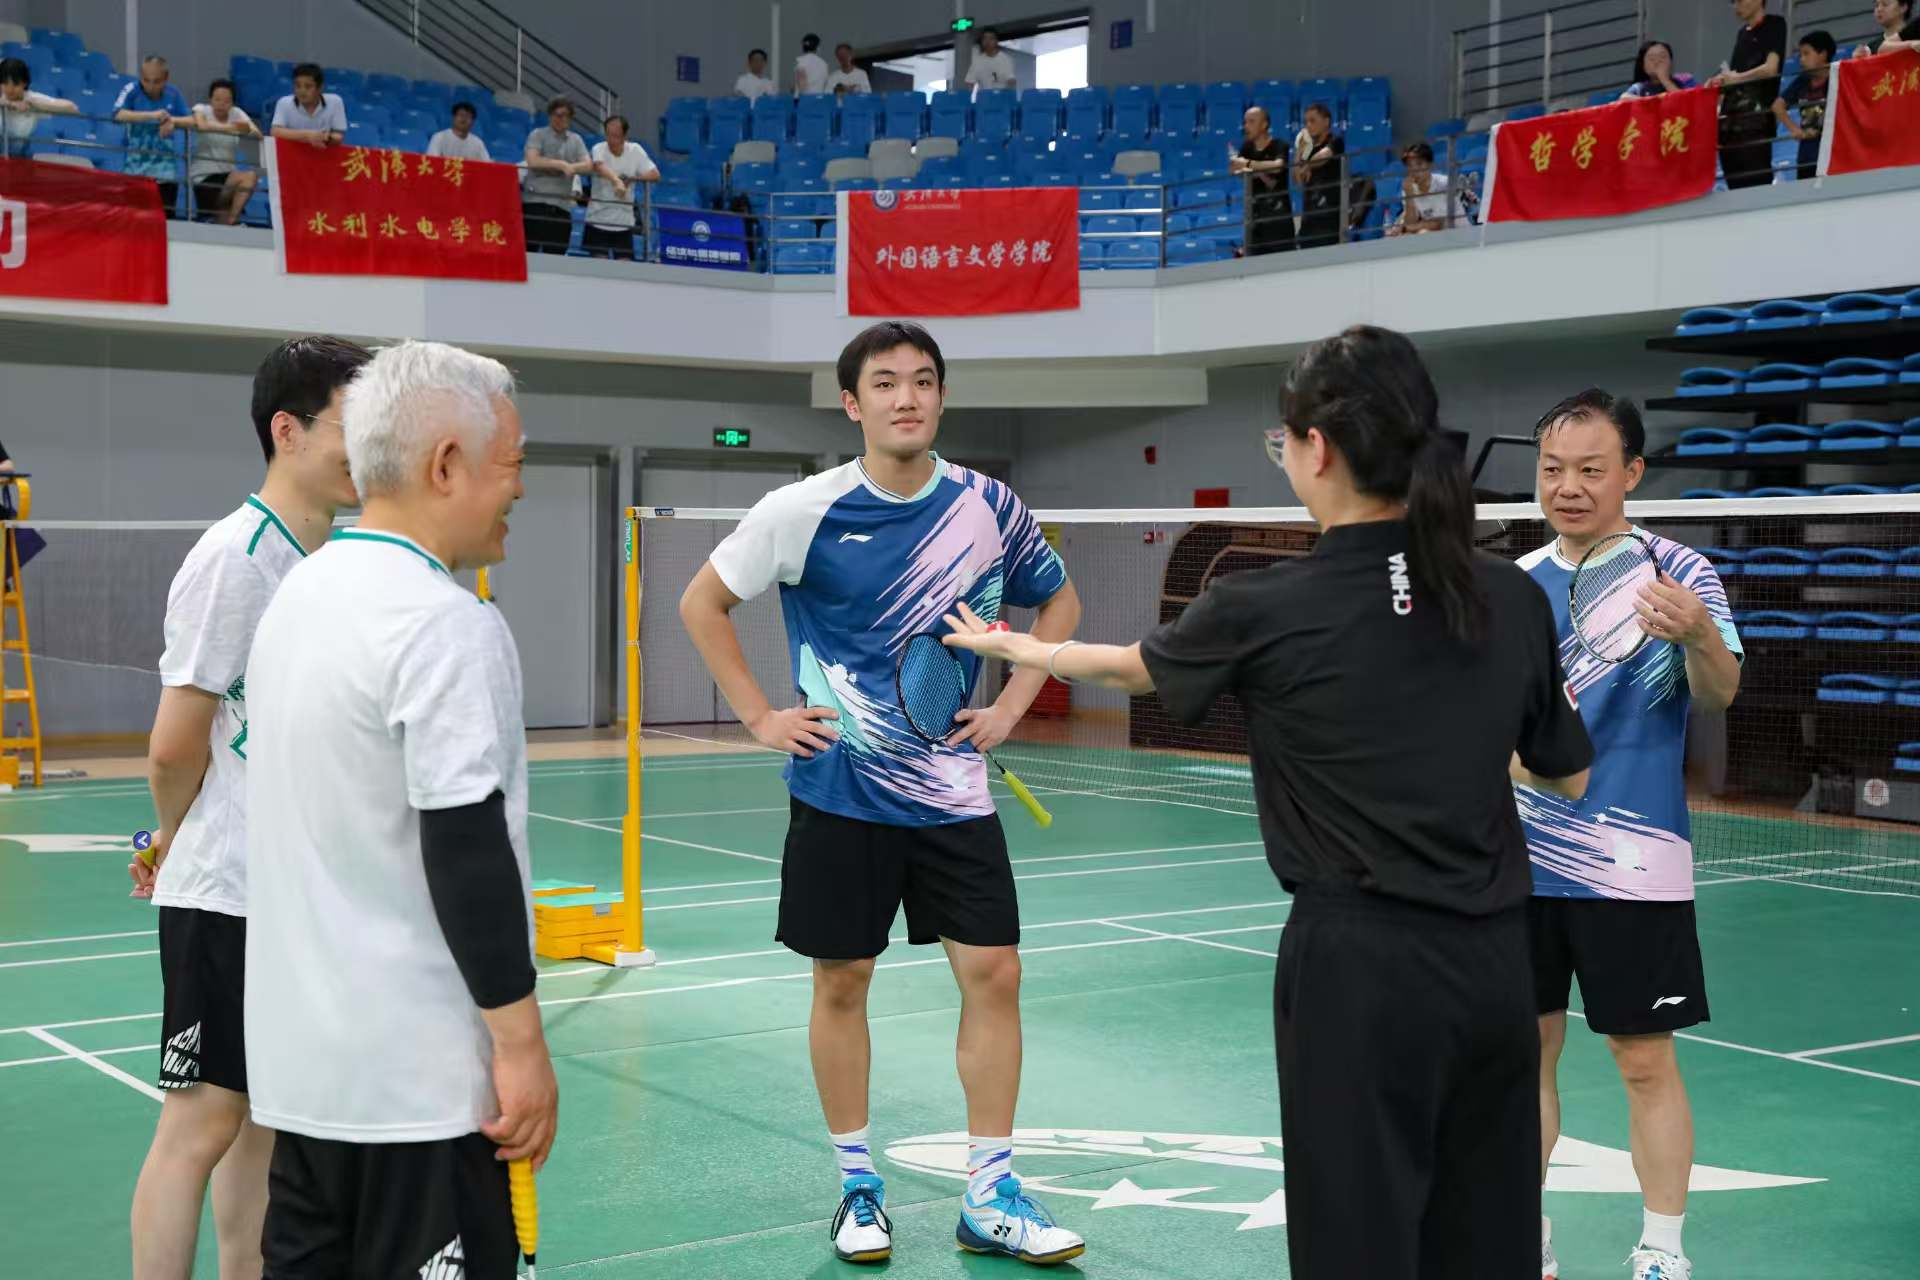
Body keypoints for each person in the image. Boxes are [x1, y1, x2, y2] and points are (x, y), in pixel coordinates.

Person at [945, 325, 1594, 1280]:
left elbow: (1128, 669)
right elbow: (1567, 774)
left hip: (1360, 973)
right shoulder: (1512, 596)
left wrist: (1020, 649)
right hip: (1499, 967)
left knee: (1356, 1246)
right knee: (1488, 1243)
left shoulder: (1264, 605)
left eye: (1281, 440)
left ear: (1316, 449)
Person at [678, 321, 1088, 1268]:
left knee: (996, 975)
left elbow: (1057, 601)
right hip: (840, 792)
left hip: (955, 794)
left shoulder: (989, 505)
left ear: (941, 396)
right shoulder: (801, 509)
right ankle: (858, 1186)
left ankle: (990, 1193)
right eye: (887, 382)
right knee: (842, 981)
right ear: (852, 403)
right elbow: (703, 602)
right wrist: (759, 716)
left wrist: (1013, 704)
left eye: (924, 381)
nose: (908, 397)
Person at [244, 340, 553, 1279]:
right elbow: (465, 850)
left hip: (306, 1083)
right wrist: (521, 1045)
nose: (520, 488)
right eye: (512, 463)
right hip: (421, 1095)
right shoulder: (444, 622)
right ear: (446, 464)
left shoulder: (301, 594)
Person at [127, 335, 371, 1280]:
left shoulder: (331, 560)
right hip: (225, 892)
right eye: (352, 426)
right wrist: (173, 837)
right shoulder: (236, 559)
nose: (370, 449)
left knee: (264, 1121)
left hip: (292, 896)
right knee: (199, 1125)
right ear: (287, 430)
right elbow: (173, 742)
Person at [1522, 390, 1742, 1280]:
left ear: (1633, 473)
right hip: (1518, 864)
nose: (1568, 487)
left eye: (1591, 469)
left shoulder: (1681, 571)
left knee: (1644, 1061)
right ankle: (1523, 1236)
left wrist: (1699, 634)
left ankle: (1661, 1251)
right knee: (1521, 1059)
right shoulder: (1514, 584)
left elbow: (1720, 693)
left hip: (1633, 865)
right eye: (1552, 470)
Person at [1707, 0, 1787, 189]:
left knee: (1756, 183)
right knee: (1734, 184)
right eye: (1733, 2)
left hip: (1755, 121)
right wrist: (1721, 80)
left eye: (1740, 1)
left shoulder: (1774, 24)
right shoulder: (1742, 33)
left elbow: (1770, 68)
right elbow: (1735, 73)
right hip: (1729, 124)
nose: (1737, 6)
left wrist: (1737, 78)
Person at [114, 56, 193, 215]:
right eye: (146, 80)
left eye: (156, 81)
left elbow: (192, 120)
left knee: (165, 222)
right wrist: (152, 115)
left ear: (166, 78)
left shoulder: (174, 93)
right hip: (135, 171)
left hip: (166, 173)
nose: (150, 86)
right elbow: (117, 115)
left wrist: (172, 120)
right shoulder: (131, 89)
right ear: (140, 75)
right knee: (134, 220)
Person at [521, 96, 591, 255]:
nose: (561, 119)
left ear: (570, 118)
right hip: (535, 203)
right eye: (557, 115)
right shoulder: (538, 134)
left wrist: (570, 167)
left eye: (565, 115)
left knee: (557, 256)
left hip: (562, 207)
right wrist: (561, 165)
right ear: (550, 116)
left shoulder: (576, 140)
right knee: (528, 255)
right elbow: (533, 161)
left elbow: (588, 165)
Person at [186, 79, 261, 226]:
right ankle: (223, 219)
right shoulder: (202, 109)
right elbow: (202, 126)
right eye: (217, 99)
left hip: (227, 177)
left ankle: (233, 220)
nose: (221, 104)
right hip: (204, 178)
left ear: (232, 102)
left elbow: (257, 134)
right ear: (210, 100)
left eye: (227, 101)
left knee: (250, 176)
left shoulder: (236, 113)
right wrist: (232, 128)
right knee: (221, 214)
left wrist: (245, 128)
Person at [585, 114, 658, 260]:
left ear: (625, 136)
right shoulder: (598, 148)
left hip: (624, 223)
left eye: (616, 136)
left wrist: (633, 179)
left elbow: (655, 174)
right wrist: (616, 181)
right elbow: (599, 166)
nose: (611, 141)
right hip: (597, 220)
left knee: (624, 267)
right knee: (598, 267)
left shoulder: (635, 150)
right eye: (608, 135)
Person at [1231, 104, 1294, 254]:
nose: (1246, 126)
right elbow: (1234, 168)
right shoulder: (1247, 147)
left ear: (1264, 124)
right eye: (1245, 122)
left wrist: (1249, 165)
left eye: (1251, 122)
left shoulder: (1279, 145)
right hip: (1255, 217)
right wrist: (1258, 169)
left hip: (1278, 218)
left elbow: (1277, 166)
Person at [1774, 31, 1836, 181]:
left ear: (1822, 54)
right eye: (1800, 55)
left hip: (1832, 151)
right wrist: (1794, 129)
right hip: (1806, 155)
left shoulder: (1837, 77)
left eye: (1806, 54)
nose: (1801, 59)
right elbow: (1778, 105)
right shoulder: (1802, 81)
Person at [0, 56, 78, 158]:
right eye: (5, 83)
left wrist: (34, 105)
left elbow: (72, 108)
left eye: (15, 84)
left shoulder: (31, 98)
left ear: (24, 83)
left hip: (19, 157)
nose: (10, 89)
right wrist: (9, 104)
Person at [1293, 103, 1345, 249]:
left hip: (1328, 218)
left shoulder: (1336, 140)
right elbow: (1298, 180)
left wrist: (1307, 165)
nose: (1308, 126)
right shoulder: (1308, 149)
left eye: (1312, 121)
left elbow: (1324, 156)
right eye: (1306, 122)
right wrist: (1299, 149)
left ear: (1326, 122)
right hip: (1309, 217)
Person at [269, 63, 347, 150]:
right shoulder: (284, 103)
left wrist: (326, 138)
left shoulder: (335, 102)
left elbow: (339, 135)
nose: (302, 91)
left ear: (320, 88)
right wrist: (307, 135)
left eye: (308, 86)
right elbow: (275, 131)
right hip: (291, 151)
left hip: (322, 150)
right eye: (298, 86)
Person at [1394, 141, 1456, 234]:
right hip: (1437, 235)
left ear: (1430, 165)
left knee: (1423, 232)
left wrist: (1404, 229)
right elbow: (1410, 223)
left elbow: (1436, 224)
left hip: (1458, 233)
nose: (1414, 170)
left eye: (1419, 164)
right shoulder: (1409, 188)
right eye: (1410, 165)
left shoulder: (1443, 183)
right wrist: (1409, 195)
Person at [1621, 40, 1697, 97]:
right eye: (1652, 59)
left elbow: (1687, 103)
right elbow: (1624, 98)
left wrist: (1665, 80)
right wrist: (1654, 101)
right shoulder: (1638, 89)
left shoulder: (1685, 80)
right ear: (1643, 66)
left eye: (1663, 57)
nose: (1658, 62)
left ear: (1671, 62)